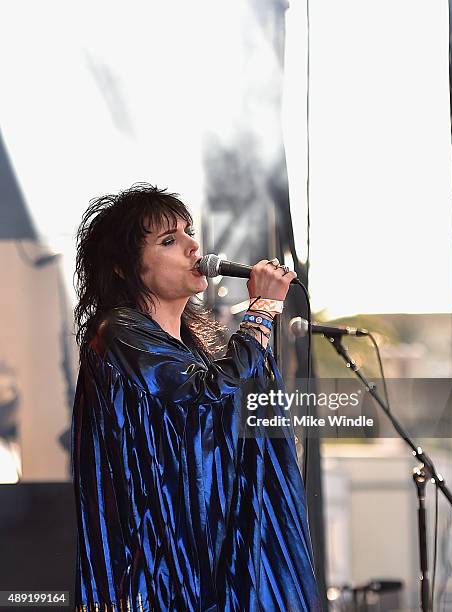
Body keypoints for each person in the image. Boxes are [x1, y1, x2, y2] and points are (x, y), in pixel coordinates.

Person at [71, 183, 322, 611]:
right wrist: (260, 312)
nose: (192, 247)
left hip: (211, 552)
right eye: (169, 240)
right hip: (157, 564)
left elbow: (225, 415)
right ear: (122, 268)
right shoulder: (119, 333)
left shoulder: (198, 345)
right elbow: (204, 395)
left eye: (189, 232)